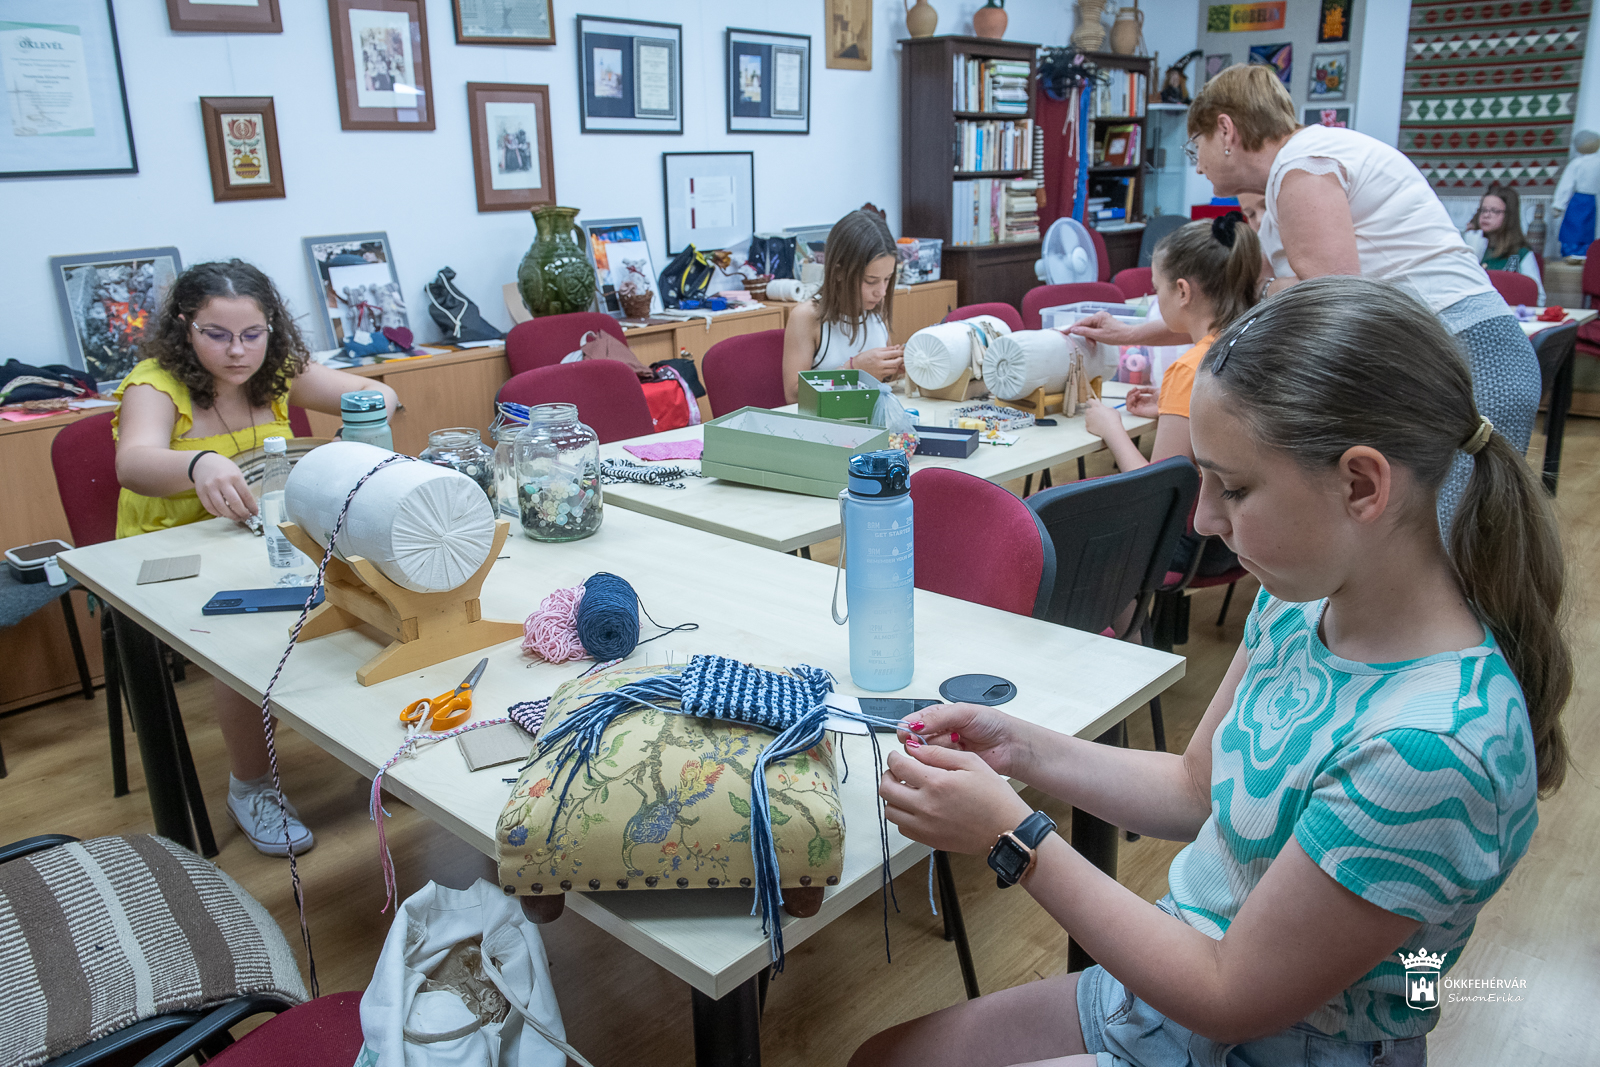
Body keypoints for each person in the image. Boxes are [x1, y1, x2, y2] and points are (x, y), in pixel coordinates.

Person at [852, 276, 1570, 1067]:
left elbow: (1231, 995)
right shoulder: (1300, 605)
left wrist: (1014, 836)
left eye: (1233, 487)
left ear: (1362, 484)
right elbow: (1199, 788)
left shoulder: (1432, 749)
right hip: (1172, 987)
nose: (1201, 519)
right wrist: (1023, 749)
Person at [1070, 64, 1540, 534]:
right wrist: (1132, 333)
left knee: (1446, 547)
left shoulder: (1302, 168)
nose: (1197, 164)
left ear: (1225, 129)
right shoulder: (1299, 171)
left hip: (1468, 355)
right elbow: (1232, 309)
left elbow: (1337, 309)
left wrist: (1272, 301)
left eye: (1197, 145)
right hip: (1450, 353)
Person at [114, 259, 399, 856]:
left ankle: (383, 754)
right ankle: (252, 787)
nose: (238, 352)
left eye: (253, 334)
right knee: (247, 642)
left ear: (272, 327)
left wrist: (371, 410)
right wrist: (196, 465)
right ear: (185, 328)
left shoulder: (274, 372)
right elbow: (133, 462)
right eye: (217, 335)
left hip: (263, 536)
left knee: (378, 594)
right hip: (183, 544)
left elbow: (379, 396)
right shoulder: (155, 383)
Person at [1080, 212, 1259, 473]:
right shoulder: (1253, 339)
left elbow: (1157, 488)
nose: (1156, 298)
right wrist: (1177, 405)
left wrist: (1111, 429)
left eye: (1157, 289)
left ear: (1183, 292)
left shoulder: (1190, 371)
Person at [781, 209, 905, 404]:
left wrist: (895, 368)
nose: (881, 292)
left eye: (887, 279)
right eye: (870, 281)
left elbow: (880, 384)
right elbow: (793, 395)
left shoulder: (874, 310)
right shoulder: (807, 317)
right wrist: (852, 370)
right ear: (839, 272)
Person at [1463, 184, 1545, 305]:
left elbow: (1539, 297)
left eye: (1494, 211)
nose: (1486, 215)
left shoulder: (1522, 252)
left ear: (1508, 216)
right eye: (1483, 210)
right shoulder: (1477, 247)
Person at [1552, 129, 1599, 257]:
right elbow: (1566, 186)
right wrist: (1559, 205)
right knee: (1581, 226)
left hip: (1583, 200)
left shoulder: (1577, 163)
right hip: (1585, 200)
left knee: (1580, 227)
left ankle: (1579, 252)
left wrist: (1558, 205)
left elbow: (1565, 186)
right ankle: (1578, 252)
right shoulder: (1584, 163)